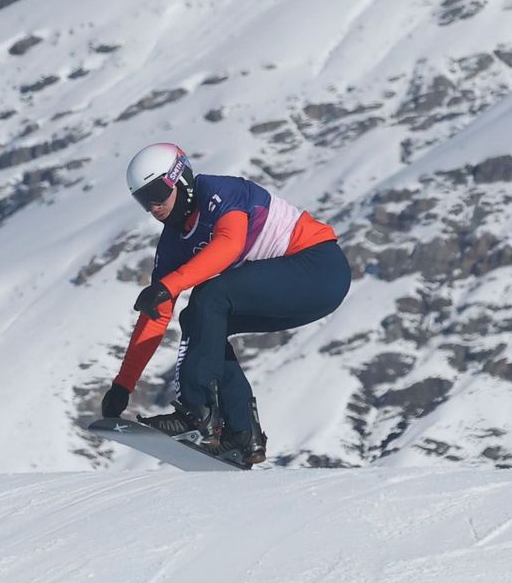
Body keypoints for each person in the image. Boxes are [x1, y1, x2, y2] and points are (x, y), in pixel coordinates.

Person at [100, 142, 352, 465]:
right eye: (143, 200)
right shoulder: (173, 243)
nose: (154, 207)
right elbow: (156, 314)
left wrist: (169, 284)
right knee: (200, 320)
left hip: (320, 268)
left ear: (181, 179)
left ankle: (196, 415)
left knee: (211, 296)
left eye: (158, 193)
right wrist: (123, 385)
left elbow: (229, 245)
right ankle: (241, 436)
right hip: (300, 287)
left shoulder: (220, 192)